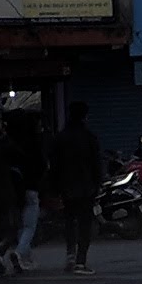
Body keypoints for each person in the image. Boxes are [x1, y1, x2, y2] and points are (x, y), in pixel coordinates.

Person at [50, 99, 104, 273]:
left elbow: (54, 164)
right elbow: (96, 164)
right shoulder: (89, 137)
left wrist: (56, 187)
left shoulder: (60, 137)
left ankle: (70, 256)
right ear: (85, 117)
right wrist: (98, 184)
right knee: (84, 224)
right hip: (86, 187)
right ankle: (81, 261)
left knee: (69, 222)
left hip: (66, 187)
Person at [0, 115, 36, 278]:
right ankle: (3, 251)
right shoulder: (5, 145)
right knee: (14, 226)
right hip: (7, 191)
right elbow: (22, 159)